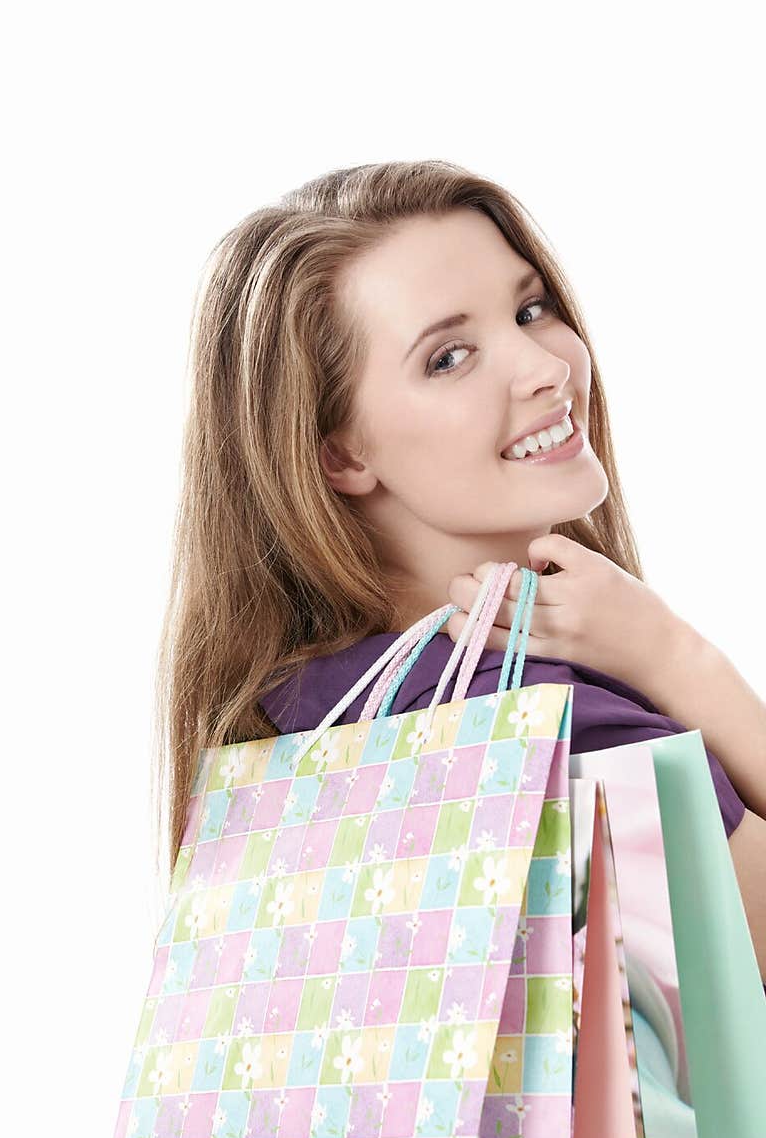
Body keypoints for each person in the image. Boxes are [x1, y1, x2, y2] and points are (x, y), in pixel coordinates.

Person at [152, 158, 766, 979]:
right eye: (450, 357)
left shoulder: (300, 706)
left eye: (530, 308)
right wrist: (676, 656)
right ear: (341, 453)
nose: (547, 367)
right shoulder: (543, 721)